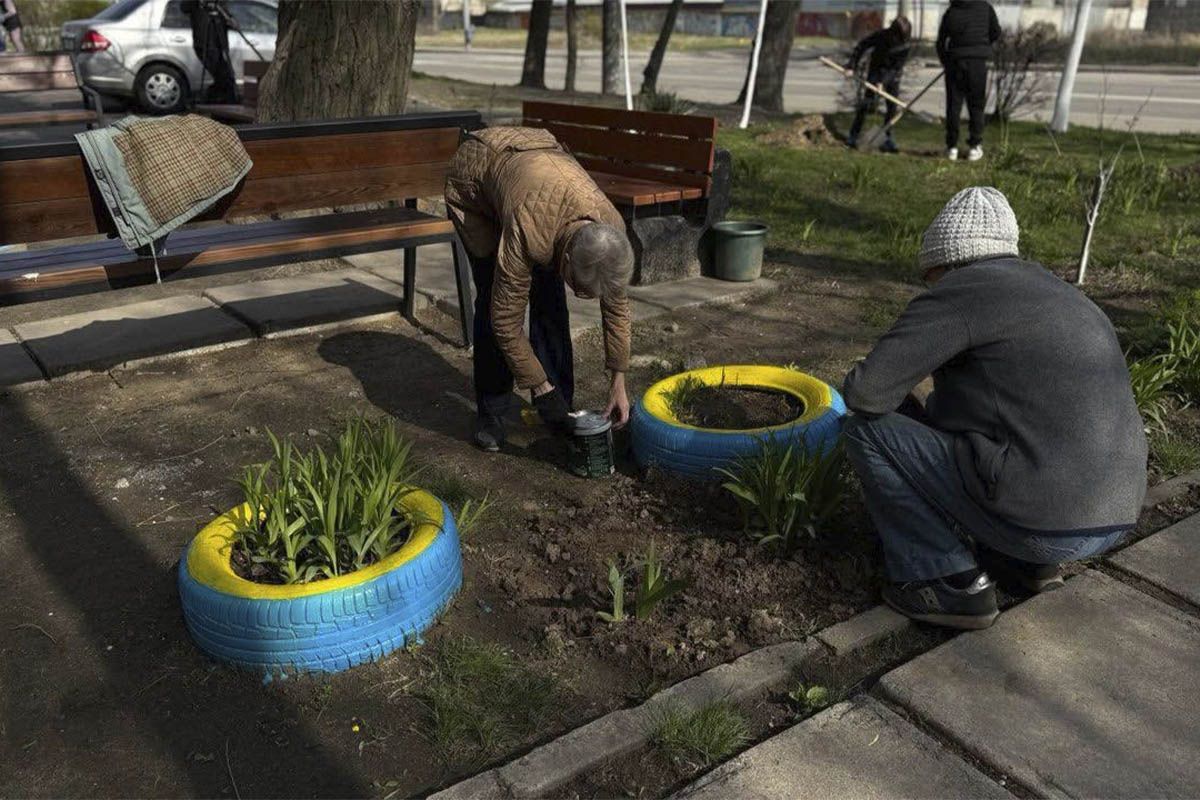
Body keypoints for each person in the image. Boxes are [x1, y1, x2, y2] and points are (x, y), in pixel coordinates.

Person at [841, 187, 1147, 630]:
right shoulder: (1065, 295)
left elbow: (867, 393)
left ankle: (947, 580)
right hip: (1115, 519)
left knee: (865, 429)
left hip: (1043, 526)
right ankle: (1020, 564)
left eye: (927, 278)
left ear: (941, 264)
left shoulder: (960, 291)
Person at [444, 126, 635, 452]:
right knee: (495, 298)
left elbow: (616, 306)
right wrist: (538, 386)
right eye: (580, 287)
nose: (583, 295)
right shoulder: (527, 228)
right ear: (569, 258)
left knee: (550, 300)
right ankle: (492, 413)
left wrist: (619, 379)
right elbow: (505, 322)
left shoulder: (609, 230)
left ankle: (560, 408)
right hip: (475, 181)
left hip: (536, 172)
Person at [936, 0, 1001, 161]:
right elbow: (996, 32)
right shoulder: (986, 8)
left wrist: (946, 61)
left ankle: (952, 147)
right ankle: (974, 146)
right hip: (977, 62)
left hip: (955, 61)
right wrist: (983, 46)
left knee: (953, 106)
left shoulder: (951, 11)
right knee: (976, 105)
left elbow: (940, 41)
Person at [845, 16, 913, 153]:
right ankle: (853, 135)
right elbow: (862, 46)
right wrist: (852, 66)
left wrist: (883, 82)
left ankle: (887, 138)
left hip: (893, 75)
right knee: (866, 104)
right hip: (876, 71)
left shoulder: (905, 45)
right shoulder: (882, 36)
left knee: (891, 107)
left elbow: (896, 68)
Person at [180, 0, 238, 104]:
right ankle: (214, 100)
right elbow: (184, 8)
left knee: (226, 76)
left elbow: (228, 19)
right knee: (224, 76)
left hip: (220, 45)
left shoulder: (219, 4)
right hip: (204, 45)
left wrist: (231, 20)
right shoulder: (196, 5)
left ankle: (217, 101)